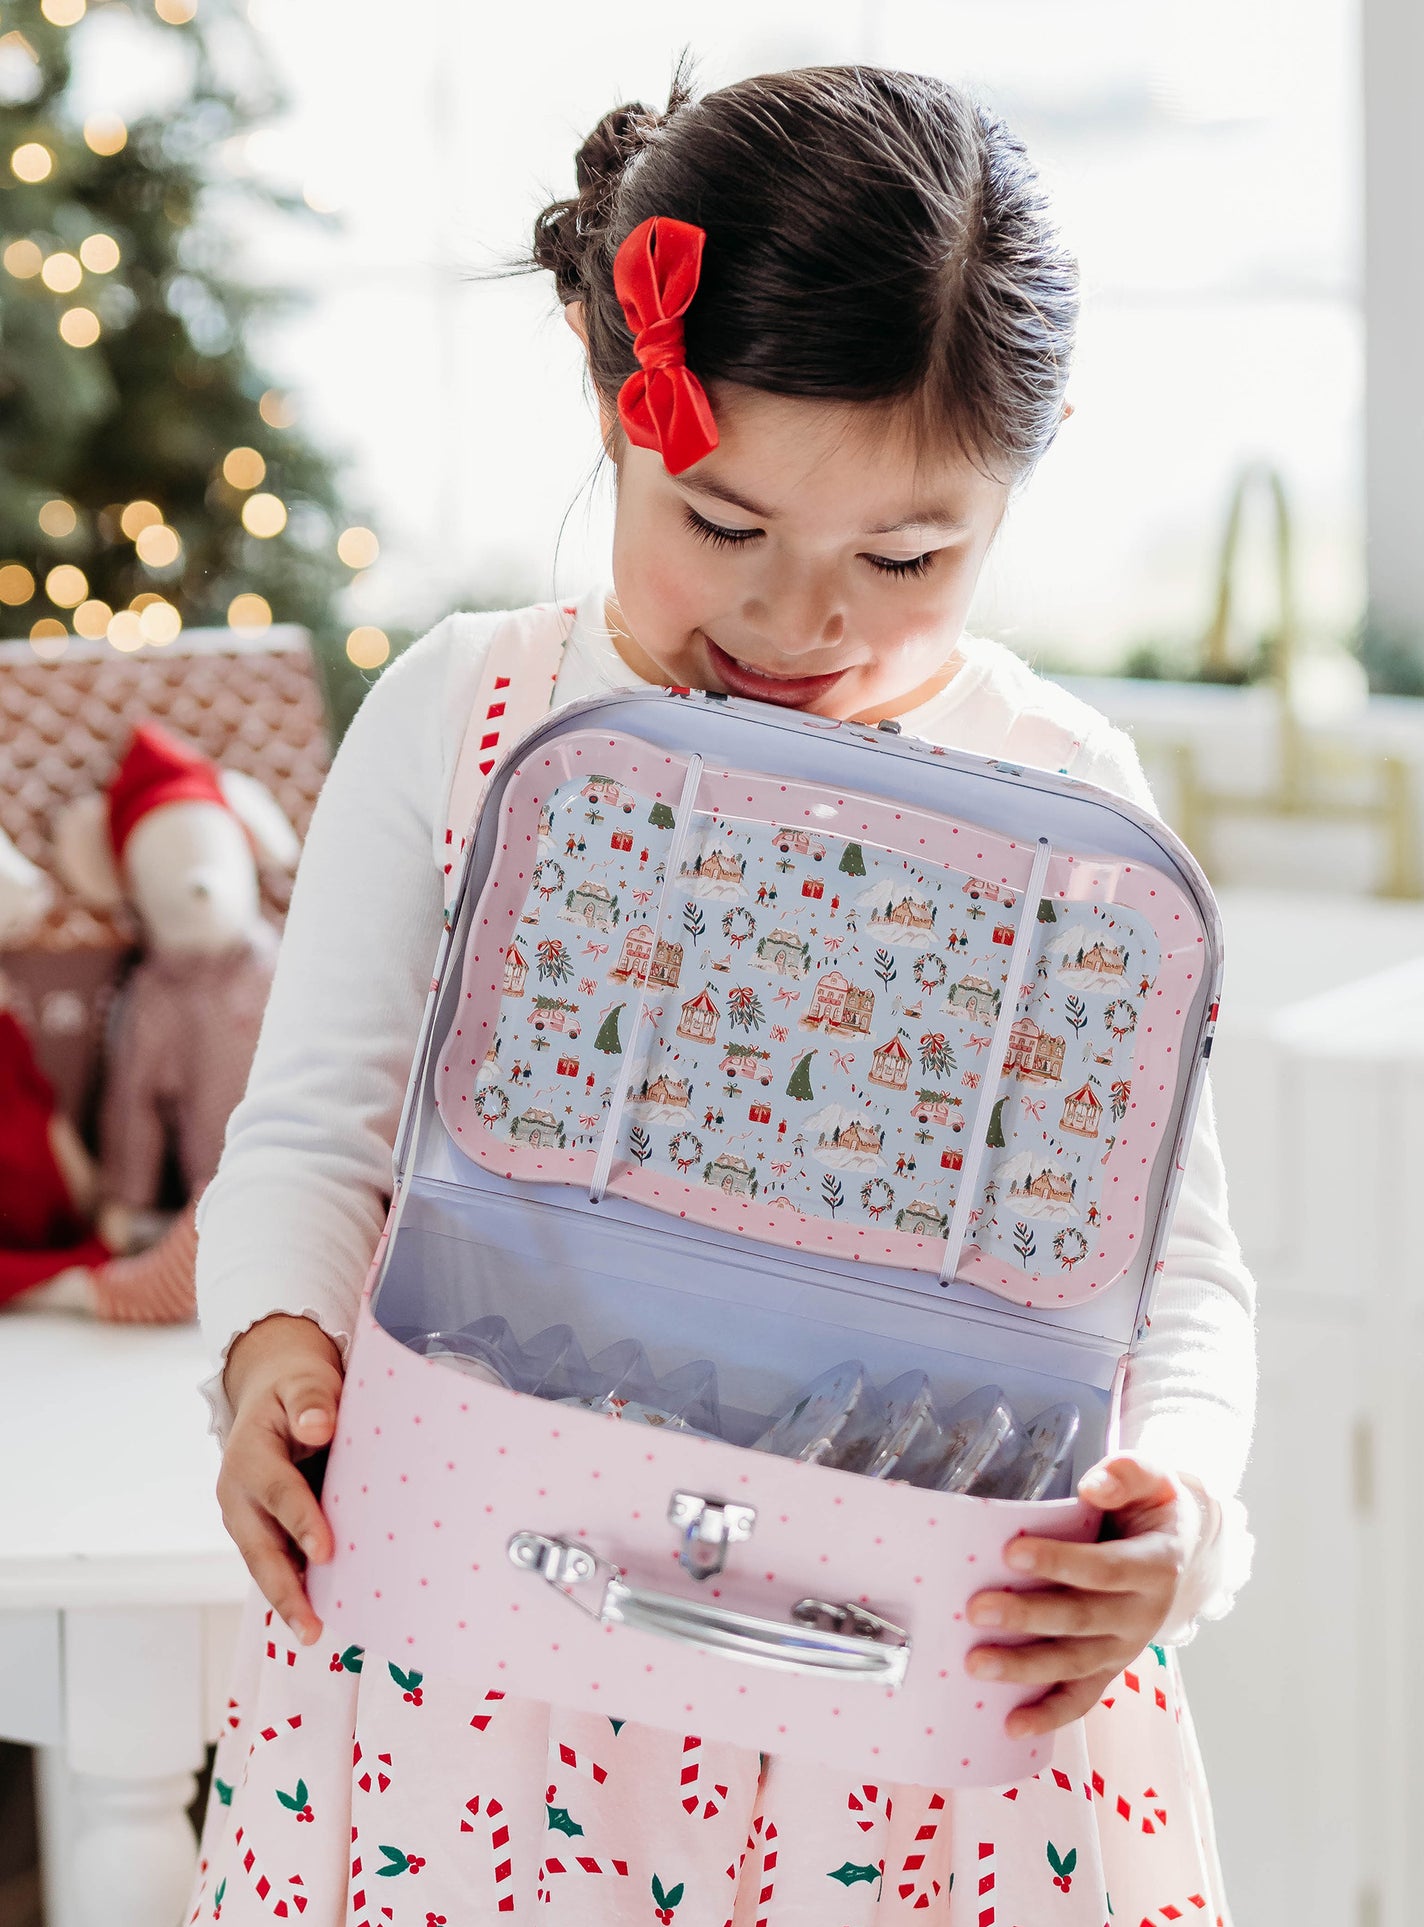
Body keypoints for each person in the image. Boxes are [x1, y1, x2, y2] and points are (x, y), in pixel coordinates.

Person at [187, 63, 1256, 1924]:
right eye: (723, 525)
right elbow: (312, 1126)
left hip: (921, 1694)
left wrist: (1182, 1518)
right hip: (480, 1682)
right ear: (620, 414)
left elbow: (1169, 1273)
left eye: (905, 557)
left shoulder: (1068, 789)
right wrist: (275, 1347)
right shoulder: (462, 715)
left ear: (1027, 468)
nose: (796, 622)